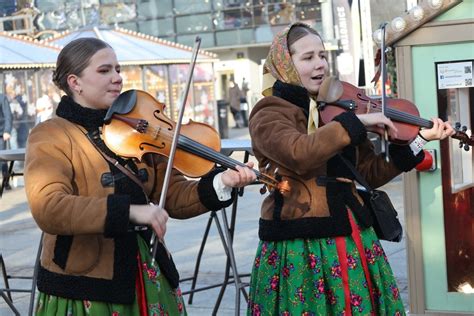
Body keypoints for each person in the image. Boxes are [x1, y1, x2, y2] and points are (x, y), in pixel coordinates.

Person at [24, 37, 256, 315]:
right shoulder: (51, 134)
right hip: (86, 282)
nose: (117, 78)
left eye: (118, 70)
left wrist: (221, 182)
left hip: (146, 270)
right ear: (75, 82)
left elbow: (171, 195)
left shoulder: (137, 130)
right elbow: (49, 208)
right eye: (104, 70)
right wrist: (130, 212)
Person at [247, 22, 455, 315]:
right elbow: (298, 154)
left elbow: (369, 173)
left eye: (322, 55)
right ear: (286, 64)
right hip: (299, 245)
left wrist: (419, 140)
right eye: (308, 58)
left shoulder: (337, 107)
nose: (320, 64)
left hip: (353, 234)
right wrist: (357, 124)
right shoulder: (270, 112)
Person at [0, 92, 13, 190]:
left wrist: (7, 130)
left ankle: (5, 182)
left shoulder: (2, 97)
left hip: (1, 134)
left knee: (2, 159)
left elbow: (8, 115)